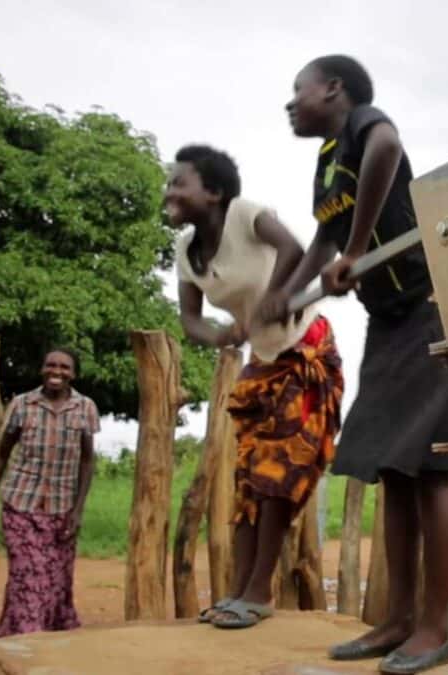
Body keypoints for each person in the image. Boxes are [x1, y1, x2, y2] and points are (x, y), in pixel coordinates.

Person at [261, 54, 448, 674]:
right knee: (392, 467)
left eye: (299, 90)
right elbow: (323, 241)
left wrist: (355, 253)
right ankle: (399, 618)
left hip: (433, 308)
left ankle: (435, 627)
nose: (290, 103)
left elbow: (388, 149)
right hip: (390, 322)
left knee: (430, 467)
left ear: (334, 88)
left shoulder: (363, 127)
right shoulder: (327, 165)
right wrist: (283, 297)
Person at [165, 144, 344, 629]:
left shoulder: (247, 216)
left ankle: (260, 590)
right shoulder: (186, 250)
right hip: (262, 363)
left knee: (278, 475)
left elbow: (295, 250)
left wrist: (274, 298)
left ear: (215, 192)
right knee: (249, 482)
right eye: (170, 182)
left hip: (306, 352)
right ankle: (239, 591)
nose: (170, 191)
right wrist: (221, 335)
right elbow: (189, 319)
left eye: (181, 182)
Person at [0, 347, 98, 637]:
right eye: (51, 365)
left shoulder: (85, 408)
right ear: (42, 369)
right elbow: (3, 451)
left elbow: (87, 460)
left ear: (74, 374)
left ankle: (33, 634)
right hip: (20, 503)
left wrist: (77, 510)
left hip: (62, 506)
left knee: (56, 578)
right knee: (27, 574)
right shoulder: (21, 404)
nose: (57, 371)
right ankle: (28, 637)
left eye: (64, 367)